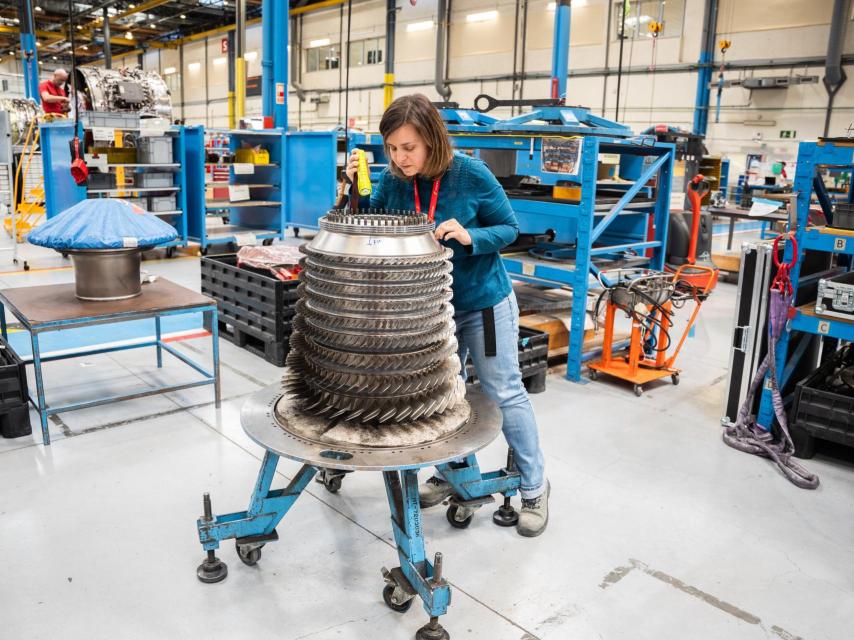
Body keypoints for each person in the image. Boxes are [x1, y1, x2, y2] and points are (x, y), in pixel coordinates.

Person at [342, 93, 549, 537]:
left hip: (483, 302)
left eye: (409, 148)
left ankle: (534, 488)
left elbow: (510, 228)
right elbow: (375, 224)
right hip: (432, 309)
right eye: (392, 148)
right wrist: (356, 191)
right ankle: (452, 474)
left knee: (504, 390)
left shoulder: (471, 174)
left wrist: (469, 234)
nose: (400, 157)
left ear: (432, 140)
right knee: (443, 396)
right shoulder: (394, 179)